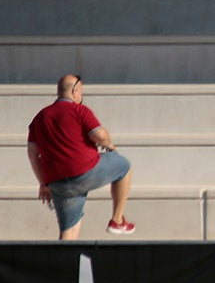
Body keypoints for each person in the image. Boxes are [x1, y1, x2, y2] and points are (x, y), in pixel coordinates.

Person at [27, 74, 135, 240]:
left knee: (69, 230)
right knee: (123, 166)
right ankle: (117, 220)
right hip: (84, 171)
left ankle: (64, 263)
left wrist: (43, 183)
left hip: (58, 183)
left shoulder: (40, 118)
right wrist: (109, 145)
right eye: (81, 92)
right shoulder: (79, 110)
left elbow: (33, 153)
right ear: (75, 91)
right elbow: (100, 135)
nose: (81, 97)